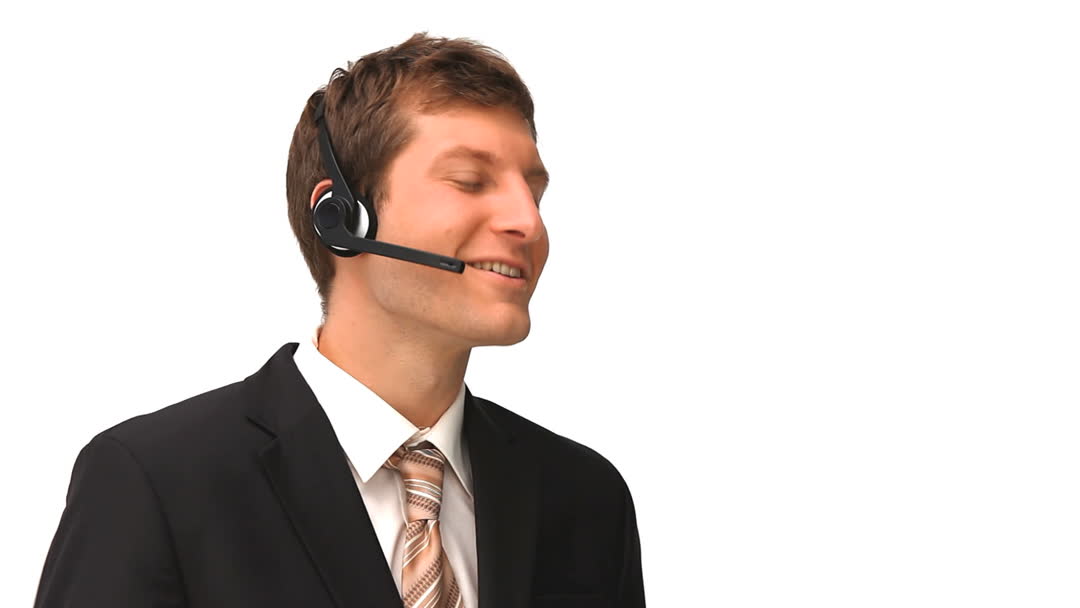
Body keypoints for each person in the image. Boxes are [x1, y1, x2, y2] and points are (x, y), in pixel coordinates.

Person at [33, 33, 645, 608]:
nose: (528, 223)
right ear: (340, 218)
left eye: (533, 193)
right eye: (470, 181)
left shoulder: (586, 498)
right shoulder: (156, 481)